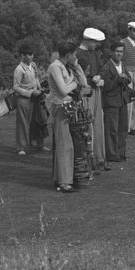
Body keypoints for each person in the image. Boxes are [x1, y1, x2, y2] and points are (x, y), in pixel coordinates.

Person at [47, 41, 90, 193]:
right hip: (60, 107)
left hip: (70, 108)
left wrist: (77, 66)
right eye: (74, 54)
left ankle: (64, 179)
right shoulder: (55, 67)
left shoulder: (68, 66)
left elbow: (84, 83)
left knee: (69, 145)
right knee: (64, 145)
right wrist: (74, 84)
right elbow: (63, 90)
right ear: (68, 54)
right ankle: (64, 182)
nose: (75, 56)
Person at [76, 27, 110, 172]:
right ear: (88, 40)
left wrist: (100, 77)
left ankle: (99, 158)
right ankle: (90, 161)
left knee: (98, 124)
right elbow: (79, 74)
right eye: (95, 42)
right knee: (88, 125)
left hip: (96, 90)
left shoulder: (93, 53)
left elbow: (102, 68)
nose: (97, 45)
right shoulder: (78, 54)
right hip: (86, 92)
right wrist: (92, 79)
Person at [101, 41, 133, 163]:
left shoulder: (123, 65)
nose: (119, 54)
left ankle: (121, 152)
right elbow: (106, 86)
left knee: (122, 128)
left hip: (122, 100)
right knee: (112, 129)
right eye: (117, 51)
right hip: (111, 101)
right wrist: (119, 79)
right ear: (112, 52)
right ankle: (112, 154)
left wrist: (126, 78)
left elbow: (128, 79)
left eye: (121, 51)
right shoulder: (107, 67)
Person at [13, 42, 46, 155]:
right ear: (22, 56)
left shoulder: (33, 65)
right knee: (23, 122)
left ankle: (37, 144)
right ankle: (21, 147)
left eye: (32, 54)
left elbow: (36, 77)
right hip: (23, 98)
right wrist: (30, 92)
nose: (32, 56)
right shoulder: (19, 70)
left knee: (37, 121)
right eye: (29, 54)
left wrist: (39, 88)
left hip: (35, 97)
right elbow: (16, 88)